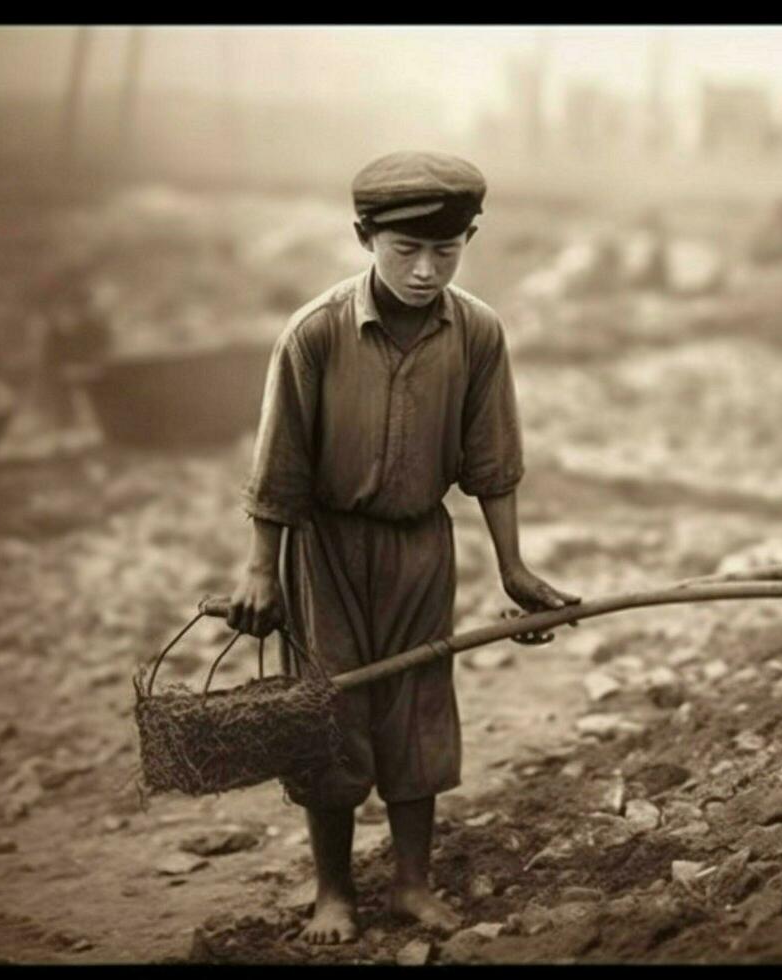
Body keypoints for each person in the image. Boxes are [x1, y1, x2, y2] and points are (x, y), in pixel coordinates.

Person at [226, 151, 580, 945]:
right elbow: (278, 463)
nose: (425, 272)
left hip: (421, 546)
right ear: (364, 237)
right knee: (330, 713)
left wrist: (514, 569)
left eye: (446, 253)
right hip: (325, 552)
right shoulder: (315, 335)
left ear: (468, 242)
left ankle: (414, 885)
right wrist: (260, 572)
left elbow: (493, 461)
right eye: (405, 251)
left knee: (420, 712)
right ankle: (335, 893)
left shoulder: (478, 332)